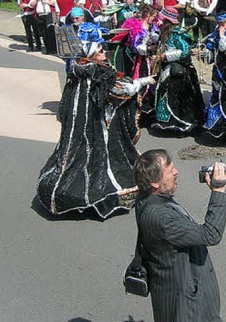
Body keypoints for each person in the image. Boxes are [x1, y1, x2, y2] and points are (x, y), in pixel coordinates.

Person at [37, 23, 155, 219]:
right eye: (100, 51)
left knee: (74, 155)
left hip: (76, 127)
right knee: (99, 159)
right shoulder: (100, 72)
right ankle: (95, 196)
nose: (104, 54)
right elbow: (119, 91)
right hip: (95, 123)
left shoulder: (76, 68)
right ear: (91, 54)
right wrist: (142, 82)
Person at [133, 149, 226, 322]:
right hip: (184, 304)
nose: (176, 172)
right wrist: (218, 191)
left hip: (179, 293)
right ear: (155, 183)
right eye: (170, 170)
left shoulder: (148, 198)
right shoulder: (161, 218)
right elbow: (211, 234)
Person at [151, 6, 204, 134]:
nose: (159, 23)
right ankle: (165, 121)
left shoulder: (177, 34)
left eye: (162, 20)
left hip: (179, 72)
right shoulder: (164, 33)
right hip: (167, 70)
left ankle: (180, 122)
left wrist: (165, 56)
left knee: (176, 98)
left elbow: (184, 52)